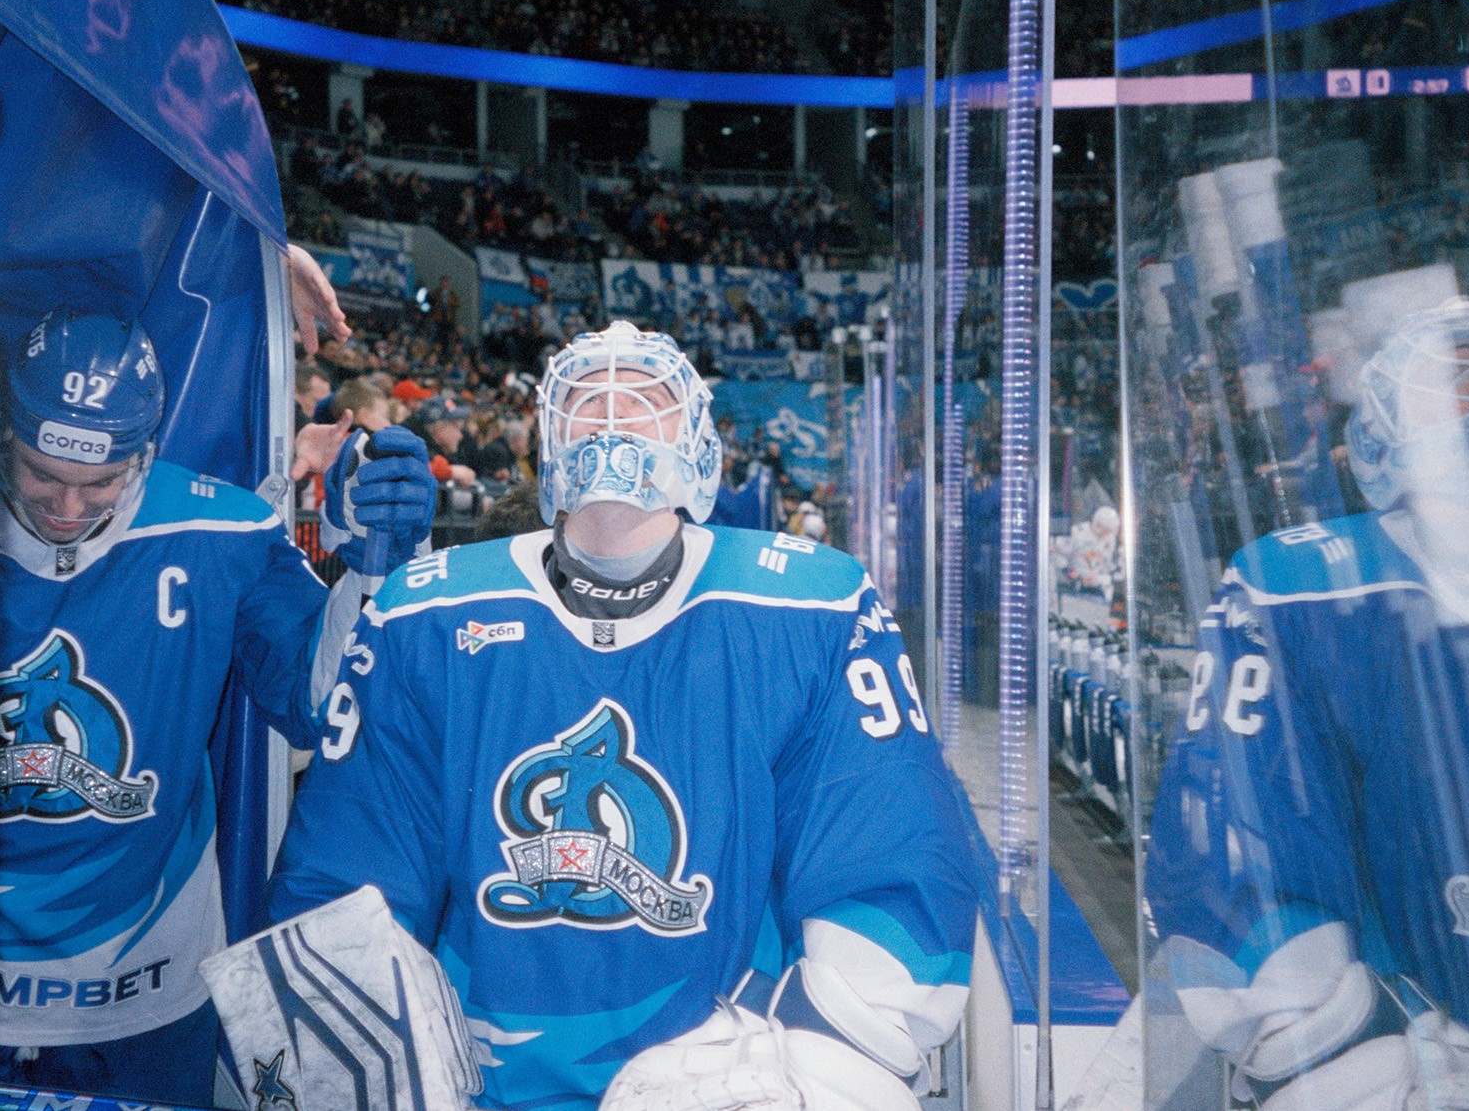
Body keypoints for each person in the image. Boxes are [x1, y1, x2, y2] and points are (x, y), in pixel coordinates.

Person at [261, 321, 983, 1110]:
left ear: (697, 447)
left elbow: (890, 855)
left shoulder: (816, 607)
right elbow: (349, 871)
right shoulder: (424, 613)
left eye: (642, 399)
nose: (610, 412)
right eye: (587, 399)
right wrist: (368, 1067)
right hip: (488, 1084)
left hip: (731, 1078)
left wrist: (814, 1063)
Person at [1087, 301, 1469, 1110]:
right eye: (1462, 380)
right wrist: (1341, 1049)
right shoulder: (1306, 585)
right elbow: (1246, 852)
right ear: (1390, 430)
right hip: (1444, 1047)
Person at [0, 309, 437, 1105]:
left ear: (145, 451)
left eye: (100, 481)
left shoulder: (224, 529)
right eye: (41, 473)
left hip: (149, 1000)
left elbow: (316, 703)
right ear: (2, 435)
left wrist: (372, 568)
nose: (68, 507)